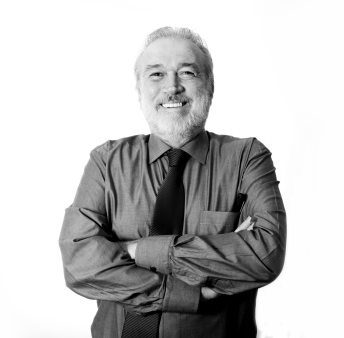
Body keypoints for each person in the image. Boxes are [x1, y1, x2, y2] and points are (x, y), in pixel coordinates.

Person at [59, 26, 286, 338]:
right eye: (156, 74)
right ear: (139, 89)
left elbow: (264, 255)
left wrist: (137, 250)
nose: (173, 86)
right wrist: (190, 288)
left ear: (210, 85)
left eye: (188, 72)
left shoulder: (247, 157)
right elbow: (78, 262)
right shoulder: (106, 161)